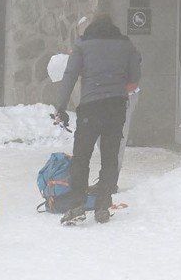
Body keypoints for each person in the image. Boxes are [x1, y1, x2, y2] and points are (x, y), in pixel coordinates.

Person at [53, 13, 141, 225]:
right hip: (116, 107)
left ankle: (77, 205)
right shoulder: (126, 45)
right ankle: (103, 204)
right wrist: (117, 87)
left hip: (90, 108)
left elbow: (70, 75)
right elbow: (134, 80)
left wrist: (61, 106)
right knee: (110, 156)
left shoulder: (83, 45)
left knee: (82, 156)